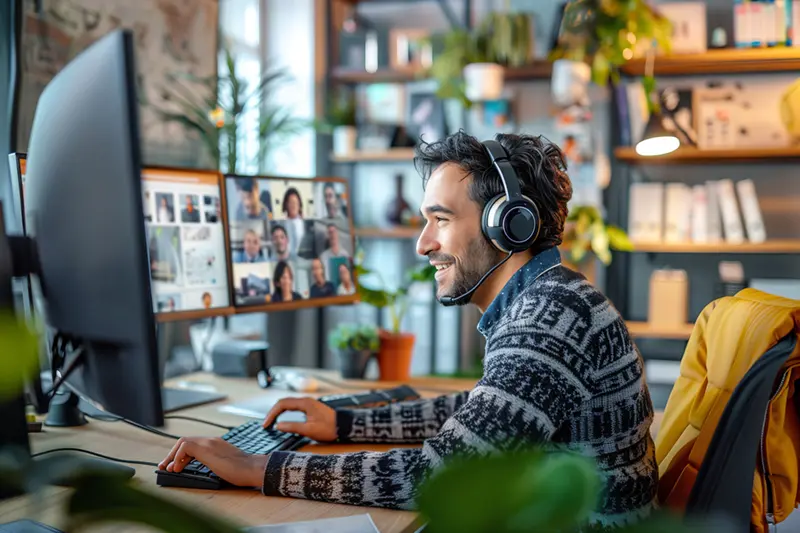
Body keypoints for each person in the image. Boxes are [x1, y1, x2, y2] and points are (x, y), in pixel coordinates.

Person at [157, 132, 657, 528]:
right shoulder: (553, 298)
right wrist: (343, 424)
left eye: (439, 219)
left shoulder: (549, 321)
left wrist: (254, 469)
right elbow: (477, 414)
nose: (422, 244)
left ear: (507, 225)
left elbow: (437, 476)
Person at [282, 187, 305, 257]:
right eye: (291, 203)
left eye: (295, 202)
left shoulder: (304, 223)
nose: (294, 206)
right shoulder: (282, 223)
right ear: (286, 205)